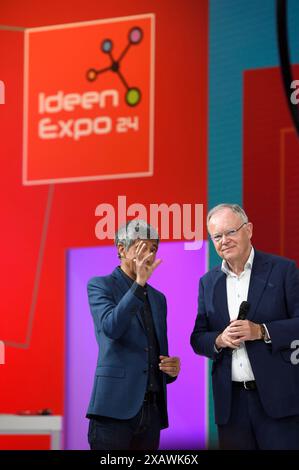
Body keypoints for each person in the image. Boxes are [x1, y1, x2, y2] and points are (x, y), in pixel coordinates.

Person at [190, 203, 299, 450]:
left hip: (278, 403)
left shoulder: (283, 270)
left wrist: (261, 331)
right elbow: (198, 337)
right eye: (217, 236)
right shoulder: (208, 282)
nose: (224, 241)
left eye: (231, 232)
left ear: (248, 230)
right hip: (231, 407)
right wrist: (218, 340)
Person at [86, 219, 180, 450]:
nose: (149, 254)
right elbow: (111, 328)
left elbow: (155, 355)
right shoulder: (100, 285)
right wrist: (138, 284)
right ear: (121, 249)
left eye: (153, 249)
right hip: (113, 412)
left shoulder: (159, 298)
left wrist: (171, 370)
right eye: (142, 247)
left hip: (151, 414)